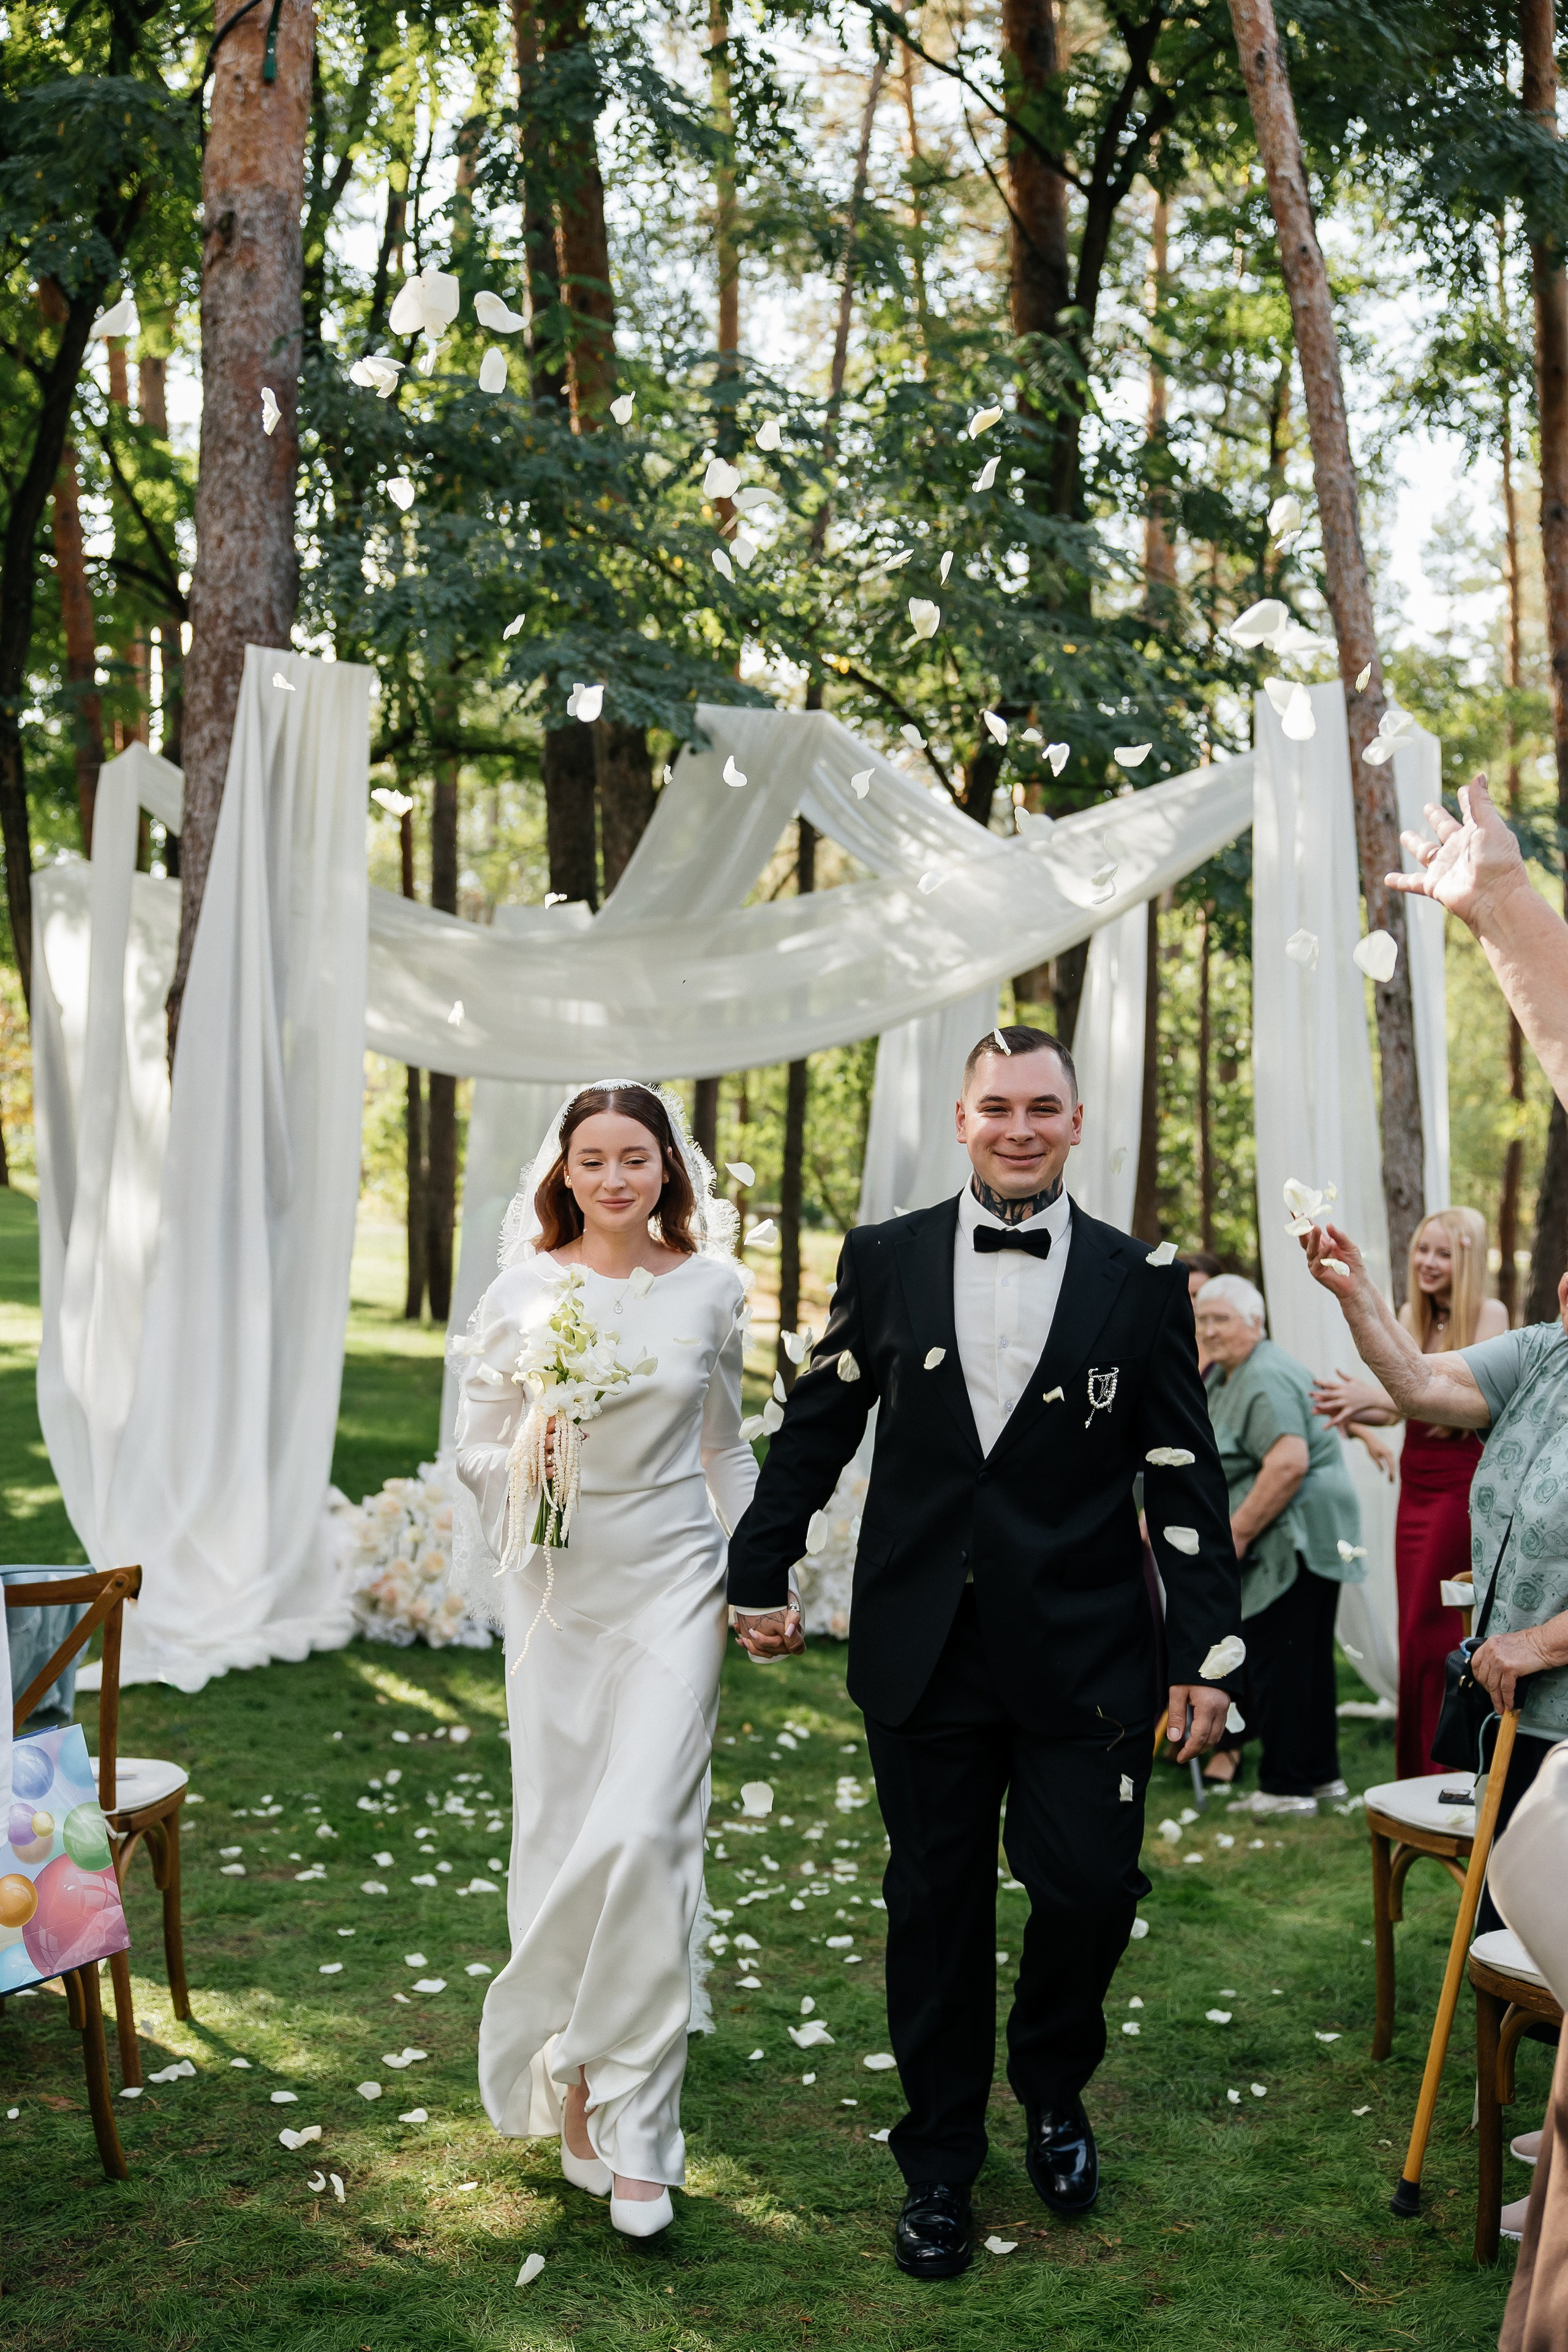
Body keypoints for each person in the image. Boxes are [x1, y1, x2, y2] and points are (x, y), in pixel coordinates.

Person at [725, 1025, 1241, 2279]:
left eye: (1041, 1107)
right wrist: (758, 1564)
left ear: (1074, 1122)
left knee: (1082, 1889)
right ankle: (940, 2165)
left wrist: (1205, 1654)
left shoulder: (1135, 1280)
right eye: (995, 1105)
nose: (1019, 1127)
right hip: (924, 1649)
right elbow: (816, 1426)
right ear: (960, 1119)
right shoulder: (887, 1259)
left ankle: (1053, 2091)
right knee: (934, 1911)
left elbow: (1180, 1472)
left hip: (1084, 1654)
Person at [452, 1082, 766, 2240]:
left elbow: (725, 1446)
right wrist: (533, 1450)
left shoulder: (715, 1288)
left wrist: (761, 1573)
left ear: (667, 1170)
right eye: (594, 1160)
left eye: (636, 1157)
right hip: (556, 1593)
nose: (616, 1179)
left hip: (675, 1583)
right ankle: (574, 2084)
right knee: (565, 1836)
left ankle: (641, 2131)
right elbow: (473, 1447)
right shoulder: (522, 1290)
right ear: (566, 1174)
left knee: (647, 1837)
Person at [1297, 1218, 1568, 1923]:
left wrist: (1537, 1645)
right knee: (1502, 1942)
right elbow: (1417, 1383)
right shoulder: (1543, 1352)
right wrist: (1355, 1295)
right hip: (1513, 1711)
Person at [1311, 1209, 1507, 1779]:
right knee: (1412, 1628)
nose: (1427, 1263)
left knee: (1437, 1622)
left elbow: (1447, 1393)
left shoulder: (1488, 1314)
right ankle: (1416, 1768)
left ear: (1466, 1259)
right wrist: (1355, 1409)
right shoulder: (1409, 1314)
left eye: (1443, 1253)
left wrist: (1371, 1397)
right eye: (1422, 1250)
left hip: (1458, 1487)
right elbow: (1404, 1403)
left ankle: (1449, 1764)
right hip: (1415, 1485)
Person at [1193, 1276, 1365, 1811]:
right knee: (1305, 1660)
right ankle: (1320, 1779)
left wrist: (1237, 1534)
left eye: (1221, 1319)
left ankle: (1286, 1786)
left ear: (1255, 1323)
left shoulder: (1262, 1375)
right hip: (1304, 1533)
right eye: (1202, 1319)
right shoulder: (1229, 1373)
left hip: (1294, 1535)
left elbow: (1289, 1461)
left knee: (1281, 1660)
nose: (1209, 1330)